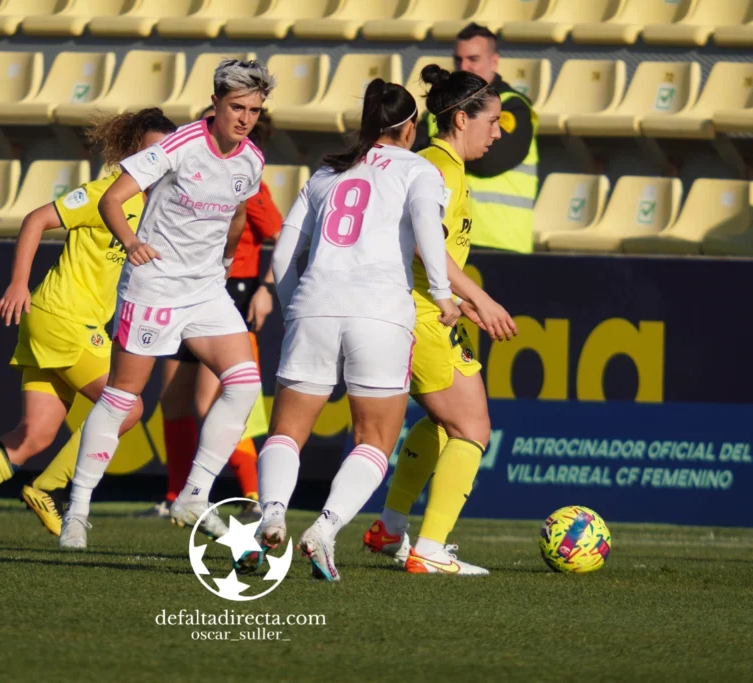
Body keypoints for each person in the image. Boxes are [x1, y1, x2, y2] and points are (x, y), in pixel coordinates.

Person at [0, 109, 177, 541]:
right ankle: (48, 489)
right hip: (62, 318)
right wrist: (18, 283)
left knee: (34, 435)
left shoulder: (155, 207)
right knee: (128, 408)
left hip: (57, 324)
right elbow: (36, 219)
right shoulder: (106, 194)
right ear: (131, 155)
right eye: (149, 152)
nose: (158, 161)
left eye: (164, 153)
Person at [245, 77, 460, 582]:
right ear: (410, 128)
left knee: (286, 432)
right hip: (380, 311)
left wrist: (293, 302)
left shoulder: (327, 171)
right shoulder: (418, 168)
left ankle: (272, 512)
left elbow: (282, 253)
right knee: (374, 439)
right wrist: (445, 296)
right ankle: (325, 528)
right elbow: (428, 232)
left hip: (315, 303)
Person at [60, 59, 275, 549]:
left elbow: (239, 215)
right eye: (237, 107)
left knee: (243, 386)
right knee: (122, 397)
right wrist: (133, 242)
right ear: (216, 102)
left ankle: (193, 496)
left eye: (254, 110)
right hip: (154, 285)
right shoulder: (179, 146)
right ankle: (78, 509)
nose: (244, 118)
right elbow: (111, 200)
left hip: (204, 290)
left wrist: (223, 261)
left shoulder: (252, 159)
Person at [362, 66, 518, 576]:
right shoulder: (440, 169)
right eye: (491, 121)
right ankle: (428, 550)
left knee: (439, 422)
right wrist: (483, 298)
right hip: (424, 319)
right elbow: (433, 256)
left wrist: (466, 302)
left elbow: (425, 252)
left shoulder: (433, 162)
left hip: (419, 313)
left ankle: (390, 525)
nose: (497, 132)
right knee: (472, 428)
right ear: (459, 118)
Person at [149, 108, 281, 521]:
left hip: (230, 291)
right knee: (172, 401)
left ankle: (254, 496)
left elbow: (282, 235)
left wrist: (267, 288)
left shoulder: (245, 179)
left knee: (214, 400)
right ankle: (175, 496)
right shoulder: (189, 171)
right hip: (187, 288)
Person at [414, 23, 538, 254]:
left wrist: (441, 144)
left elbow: (488, 160)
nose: (464, 66)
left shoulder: (513, 106)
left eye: (473, 58)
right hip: (449, 236)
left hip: (500, 242)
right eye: (458, 60)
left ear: (494, 61)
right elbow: (411, 154)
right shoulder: (442, 108)